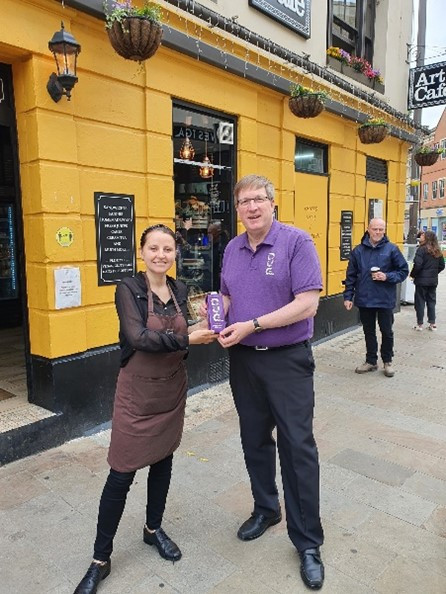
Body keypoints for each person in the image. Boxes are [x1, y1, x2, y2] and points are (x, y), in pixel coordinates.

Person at [74, 224, 216, 594]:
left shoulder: (180, 289)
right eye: (154, 248)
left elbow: (185, 330)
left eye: (168, 249)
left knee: (163, 461)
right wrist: (187, 338)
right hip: (136, 394)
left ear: (175, 254)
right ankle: (100, 559)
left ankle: (153, 529)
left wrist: (208, 322)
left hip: (171, 390)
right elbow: (137, 337)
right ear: (142, 252)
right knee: (121, 473)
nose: (160, 255)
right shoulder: (129, 288)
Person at [216, 174, 325, 590]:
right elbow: (227, 296)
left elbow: (307, 304)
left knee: (297, 448)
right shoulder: (232, 247)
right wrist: (216, 319)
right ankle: (266, 508)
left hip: (287, 361)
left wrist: (254, 324)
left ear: (272, 203)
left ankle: (308, 541)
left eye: (258, 199)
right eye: (244, 201)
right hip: (244, 360)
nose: (251, 207)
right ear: (237, 208)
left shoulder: (296, 242)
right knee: (254, 439)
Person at [343, 218, 408, 378]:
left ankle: (387, 361)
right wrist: (348, 296)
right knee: (368, 331)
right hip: (365, 298)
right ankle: (371, 361)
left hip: (385, 298)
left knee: (387, 331)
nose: (378, 232)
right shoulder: (358, 251)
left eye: (381, 229)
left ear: (384, 230)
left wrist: (387, 276)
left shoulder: (392, 249)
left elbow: (403, 271)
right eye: (375, 229)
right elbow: (351, 276)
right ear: (368, 229)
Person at [410, 230, 445, 331]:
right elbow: (442, 265)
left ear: (427, 238)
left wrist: (413, 275)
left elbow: (418, 265)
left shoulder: (421, 249)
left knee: (420, 301)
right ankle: (432, 323)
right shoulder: (437, 250)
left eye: (423, 235)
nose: (421, 236)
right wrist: (433, 273)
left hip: (421, 280)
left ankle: (419, 324)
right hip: (433, 281)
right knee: (431, 301)